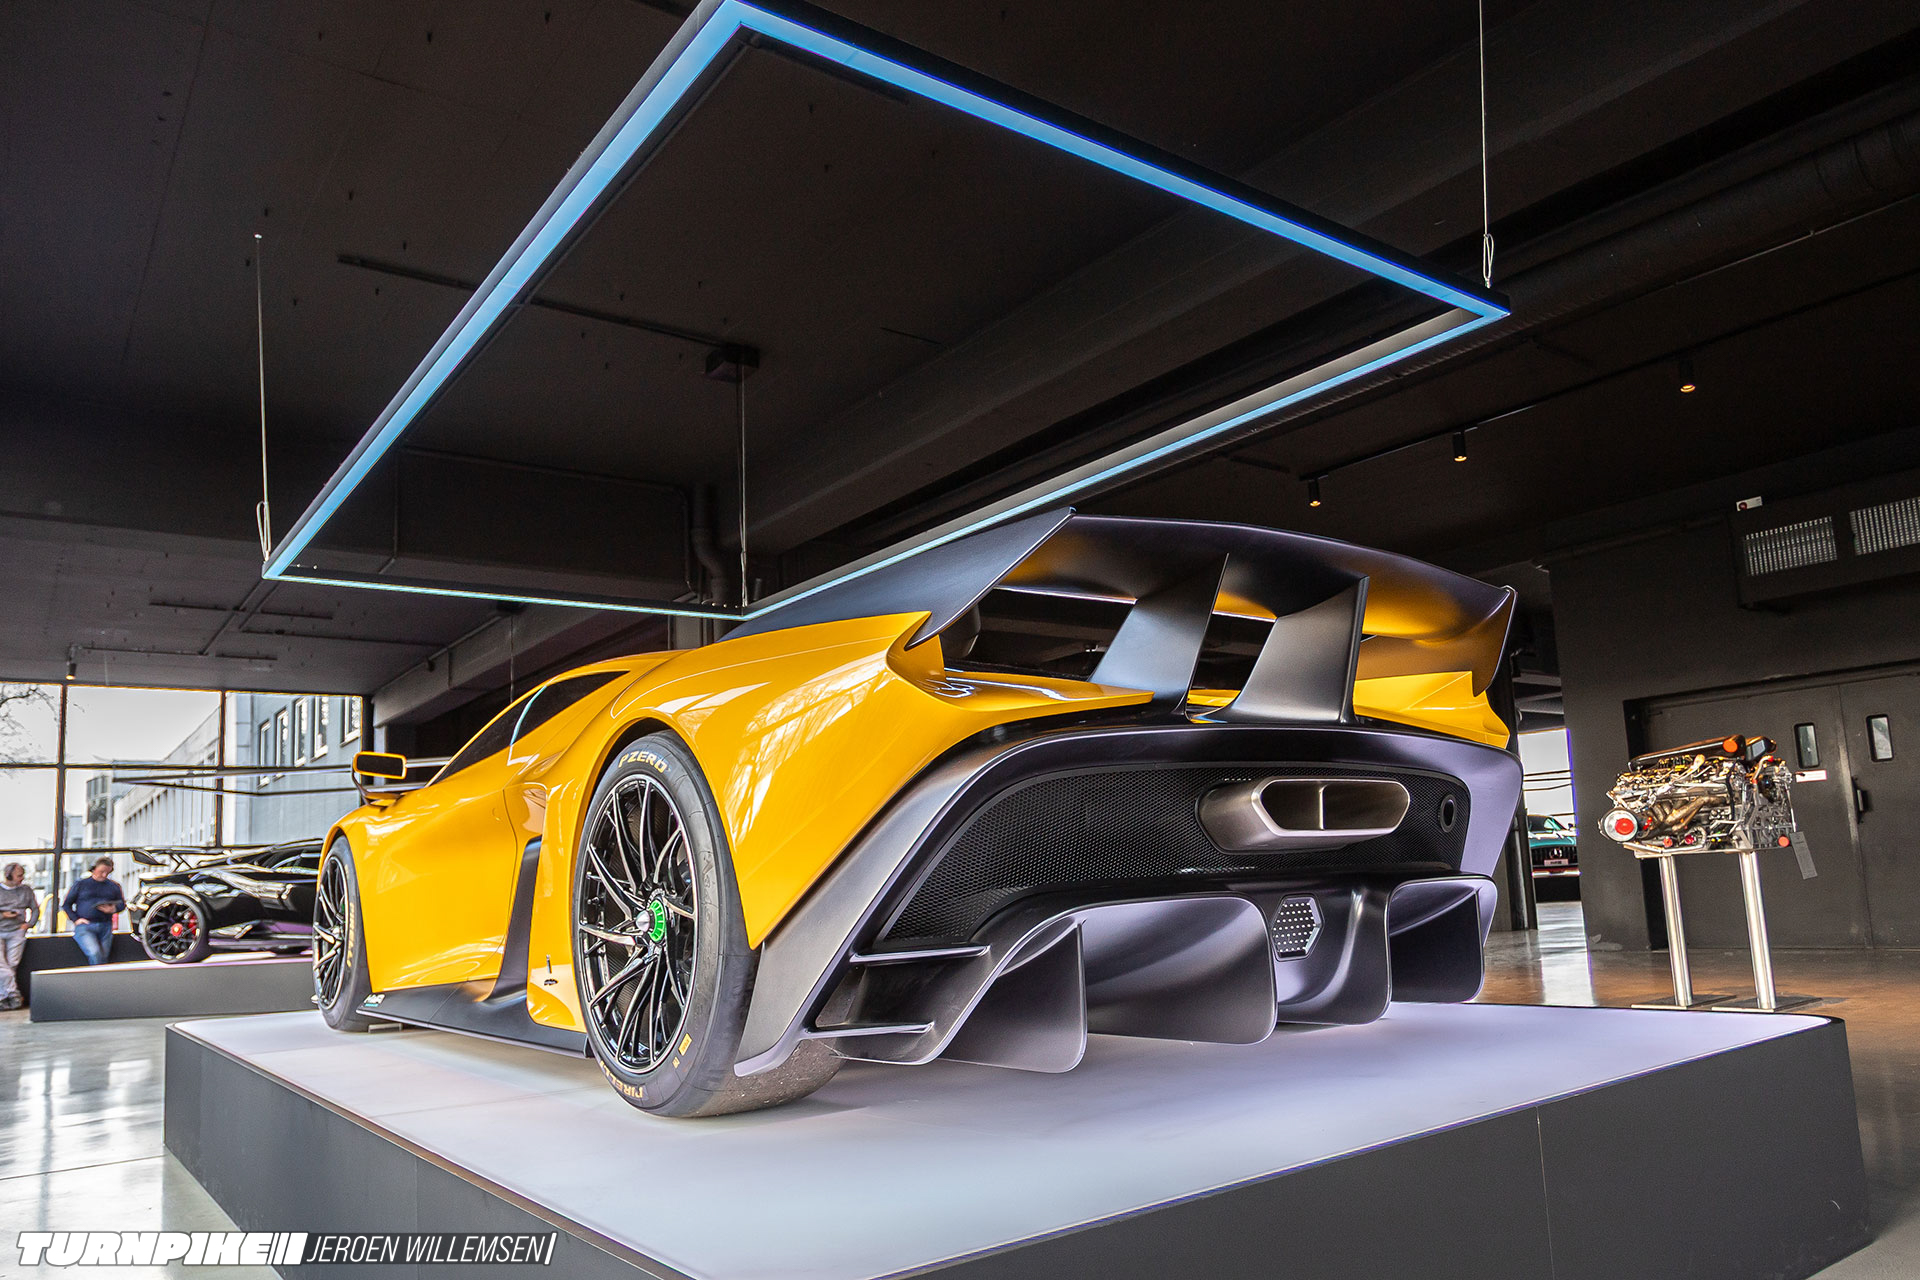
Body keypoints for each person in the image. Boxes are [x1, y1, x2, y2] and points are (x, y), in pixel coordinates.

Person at [61, 857, 124, 966]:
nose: (104, 875)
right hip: (85, 925)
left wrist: (113, 909)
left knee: (103, 957)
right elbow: (66, 905)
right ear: (94, 869)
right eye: (101, 871)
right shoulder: (81, 884)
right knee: (95, 953)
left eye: (107, 873)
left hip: (105, 924)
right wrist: (76, 919)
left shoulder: (114, 886)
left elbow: (122, 904)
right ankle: (96, 975)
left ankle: (99, 975)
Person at [0, 862, 38, 1009]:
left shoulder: (26, 890)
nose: (22, 878)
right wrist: (3, 915)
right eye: (19, 875)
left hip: (17, 930)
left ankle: (3, 997)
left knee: (12, 964)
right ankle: (13, 994)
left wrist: (29, 924)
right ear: (9, 875)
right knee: (2, 966)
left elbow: (35, 909)